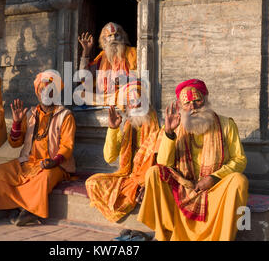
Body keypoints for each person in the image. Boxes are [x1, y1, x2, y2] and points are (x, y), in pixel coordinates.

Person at [137, 79, 248, 241]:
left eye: (197, 101)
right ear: (181, 107)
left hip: (214, 188)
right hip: (183, 187)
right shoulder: (174, 126)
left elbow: (239, 159)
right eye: (187, 103)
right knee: (154, 172)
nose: (193, 107)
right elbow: (164, 164)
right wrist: (169, 132)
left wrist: (214, 177)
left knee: (239, 181)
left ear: (206, 100)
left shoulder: (226, 125)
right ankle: (165, 235)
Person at [0, 70, 76, 226]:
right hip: (27, 162)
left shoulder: (65, 115)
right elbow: (15, 143)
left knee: (43, 178)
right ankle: (17, 207)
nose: (46, 93)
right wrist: (16, 123)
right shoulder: (30, 114)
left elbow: (67, 147)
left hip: (54, 165)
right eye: (42, 89)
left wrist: (54, 162)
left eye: (51, 90)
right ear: (37, 92)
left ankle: (29, 212)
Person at [85, 81, 162, 223]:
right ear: (127, 106)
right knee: (92, 183)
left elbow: (160, 162)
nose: (136, 104)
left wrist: (145, 182)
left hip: (147, 179)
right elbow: (109, 157)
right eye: (131, 101)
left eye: (139, 100)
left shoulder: (159, 125)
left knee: (130, 193)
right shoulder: (127, 125)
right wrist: (113, 129)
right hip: (128, 177)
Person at [78, 22, 137, 104]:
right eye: (110, 36)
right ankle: (110, 101)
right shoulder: (101, 58)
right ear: (104, 40)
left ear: (122, 38)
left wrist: (125, 79)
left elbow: (139, 77)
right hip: (104, 97)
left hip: (122, 94)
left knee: (132, 93)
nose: (113, 39)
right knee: (79, 94)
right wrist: (86, 51)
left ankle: (112, 101)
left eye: (116, 35)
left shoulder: (132, 53)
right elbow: (84, 78)